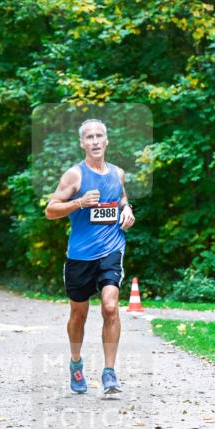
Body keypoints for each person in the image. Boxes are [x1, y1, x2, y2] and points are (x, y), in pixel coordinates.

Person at [44, 119, 135, 394]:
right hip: (80, 256)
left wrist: (128, 209)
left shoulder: (118, 174)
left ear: (107, 141)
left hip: (112, 249)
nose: (95, 141)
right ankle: (75, 363)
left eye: (99, 136)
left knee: (110, 307)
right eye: (89, 137)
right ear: (82, 143)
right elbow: (50, 210)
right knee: (78, 315)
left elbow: (121, 199)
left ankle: (109, 372)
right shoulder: (75, 175)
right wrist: (79, 203)